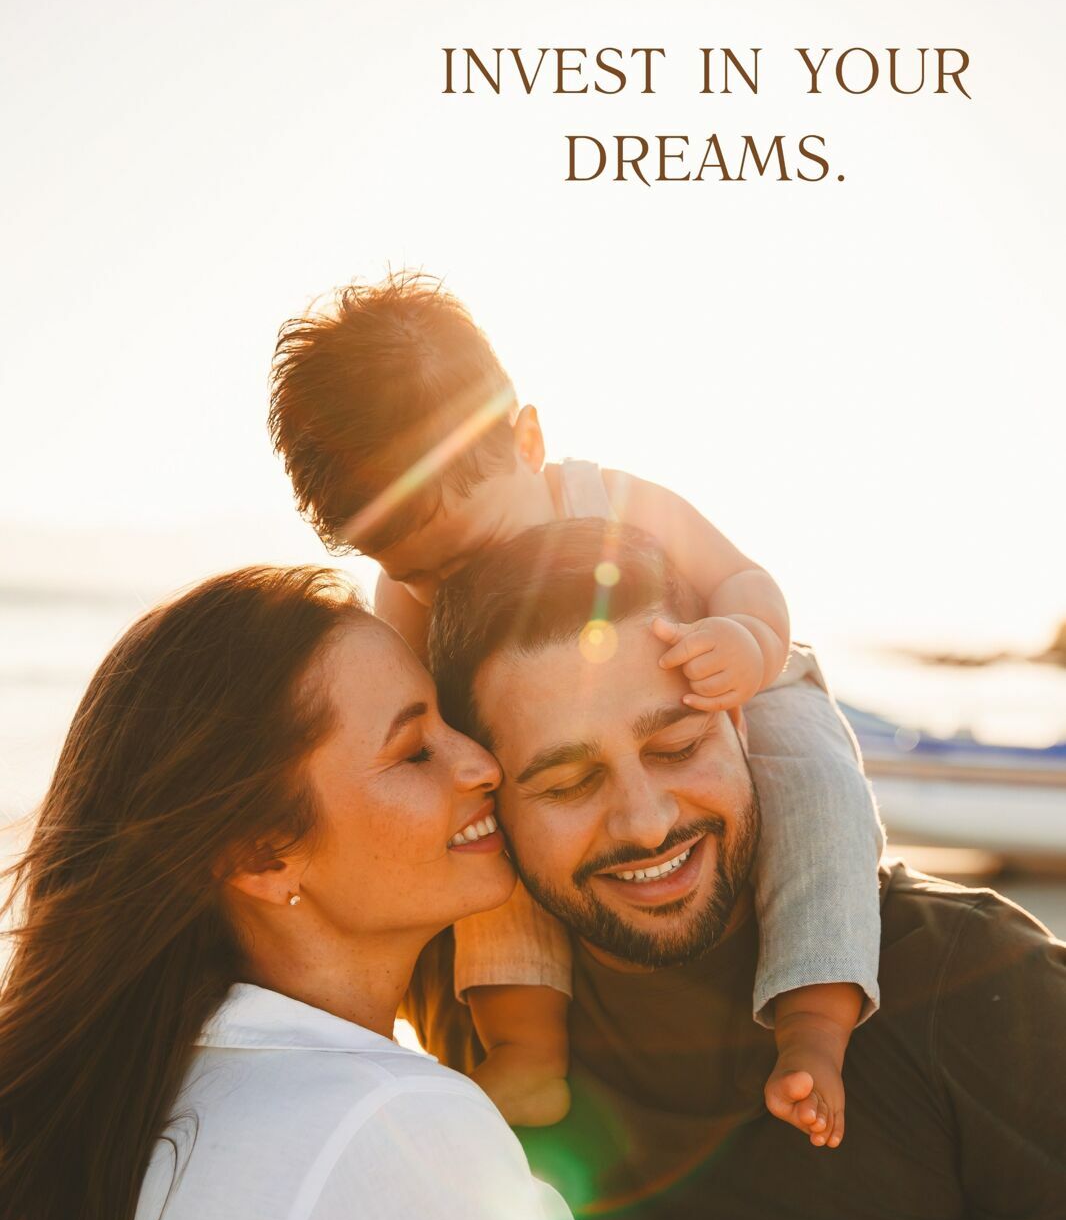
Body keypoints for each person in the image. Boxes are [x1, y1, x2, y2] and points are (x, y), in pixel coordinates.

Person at [406, 518, 1066, 1220]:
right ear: (492, 794)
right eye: (568, 781)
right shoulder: (461, 994)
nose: (643, 821)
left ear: (745, 717)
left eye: (675, 744)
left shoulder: (973, 982)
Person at [6, 566, 656, 1220]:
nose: (480, 762)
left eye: (448, 721)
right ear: (267, 855)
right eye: (413, 751)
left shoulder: (165, 1094)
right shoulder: (387, 1134)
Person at [268, 271, 883, 1145]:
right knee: (486, 815)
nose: (459, 586)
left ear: (526, 441)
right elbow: (410, 722)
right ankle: (524, 1047)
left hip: (720, 681)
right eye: (422, 574)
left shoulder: (621, 501)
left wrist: (745, 640)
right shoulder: (403, 603)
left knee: (819, 783)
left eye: (474, 550)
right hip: (531, 740)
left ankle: (814, 1026)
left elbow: (743, 579)